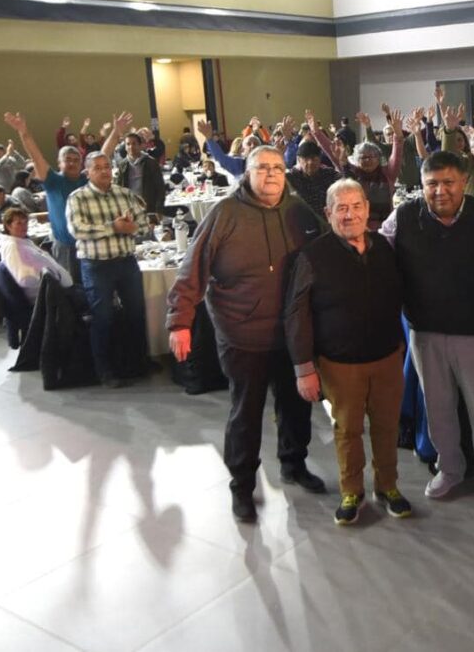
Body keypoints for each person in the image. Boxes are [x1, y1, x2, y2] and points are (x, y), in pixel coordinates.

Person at [166, 145, 327, 524]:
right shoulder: (224, 214)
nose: (270, 174)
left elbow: (326, 257)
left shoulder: (299, 211)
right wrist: (179, 321)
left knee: (295, 406)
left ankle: (293, 464)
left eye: (276, 167)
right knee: (246, 414)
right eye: (262, 168)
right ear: (247, 173)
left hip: (291, 336)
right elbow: (193, 269)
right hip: (242, 335)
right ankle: (241, 486)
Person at [380, 150, 474, 513]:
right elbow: (376, 250)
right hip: (425, 333)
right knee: (438, 409)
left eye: (448, 183)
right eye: (431, 184)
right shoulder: (404, 216)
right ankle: (449, 469)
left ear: (463, 182)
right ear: (421, 186)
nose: (440, 191)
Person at [285, 179, 410, 525]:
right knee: (348, 430)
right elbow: (296, 313)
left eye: (356, 206)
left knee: (387, 426)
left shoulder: (385, 248)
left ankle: (387, 486)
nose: (350, 214)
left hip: (386, 358)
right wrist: (303, 368)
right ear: (328, 213)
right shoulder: (313, 255)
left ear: (368, 210)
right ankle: (351, 490)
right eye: (341, 208)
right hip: (339, 364)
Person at [3, 110, 128, 283]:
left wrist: (116, 132)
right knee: (70, 288)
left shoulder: (88, 178)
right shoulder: (53, 180)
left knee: (97, 286)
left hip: (93, 244)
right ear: (59, 163)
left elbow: (104, 154)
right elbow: (35, 153)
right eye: (67, 159)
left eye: (76, 160)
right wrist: (23, 132)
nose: (72, 163)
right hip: (65, 247)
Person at [65, 152, 150, 388]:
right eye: (98, 168)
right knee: (102, 318)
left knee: (136, 313)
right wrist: (113, 226)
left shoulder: (125, 194)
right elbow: (78, 230)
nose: (104, 171)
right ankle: (105, 370)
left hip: (126, 262)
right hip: (96, 265)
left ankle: (138, 363)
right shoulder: (78, 198)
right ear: (88, 172)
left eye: (107, 166)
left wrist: (132, 228)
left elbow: (143, 225)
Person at [311, 108, 402, 230]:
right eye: (363, 157)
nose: (367, 160)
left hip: (385, 229)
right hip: (357, 228)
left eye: (372, 157)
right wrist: (316, 132)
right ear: (357, 160)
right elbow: (332, 152)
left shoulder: (388, 173)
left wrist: (397, 135)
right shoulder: (352, 172)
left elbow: (397, 154)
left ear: (379, 158)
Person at [0, 207, 72, 303]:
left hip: (57, 290)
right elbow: (25, 279)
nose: (24, 226)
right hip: (48, 297)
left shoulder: (22, 241)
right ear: (8, 226)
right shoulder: (13, 247)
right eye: (19, 223)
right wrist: (51, 281)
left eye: (25, 222)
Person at [116, 132, 167, 215]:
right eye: (128, 144)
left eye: (134, 144)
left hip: (149, 207)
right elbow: (118, 188)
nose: (131, 147)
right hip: (129, 209)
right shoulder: (122, 165)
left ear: (140, 145)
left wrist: (159, 211)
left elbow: (160, 189)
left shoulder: (151, 163)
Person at [285, 140, 342, 215]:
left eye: (314, 158)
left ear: (320, 159)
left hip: (326, 220)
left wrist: (342, 163)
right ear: (299, 160)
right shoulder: (293, 176)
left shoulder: (328, 174)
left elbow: (348, 182)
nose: (310, 162)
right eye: (306, 159)